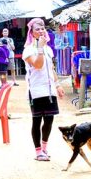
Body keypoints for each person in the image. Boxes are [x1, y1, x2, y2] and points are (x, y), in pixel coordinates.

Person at [23, 18, 65, 161]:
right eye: (37, 29)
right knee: (37, 121)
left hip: (49, 90)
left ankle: (45, 148)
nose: (41, 31)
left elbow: (51, 68)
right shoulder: (28, 50)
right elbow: (38, 65)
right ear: (31, 32)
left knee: (49, 120)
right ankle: (38, 151)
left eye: (42, 28)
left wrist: (58, 84)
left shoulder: (48, 49)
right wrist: (40, 48)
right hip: (36, 91)